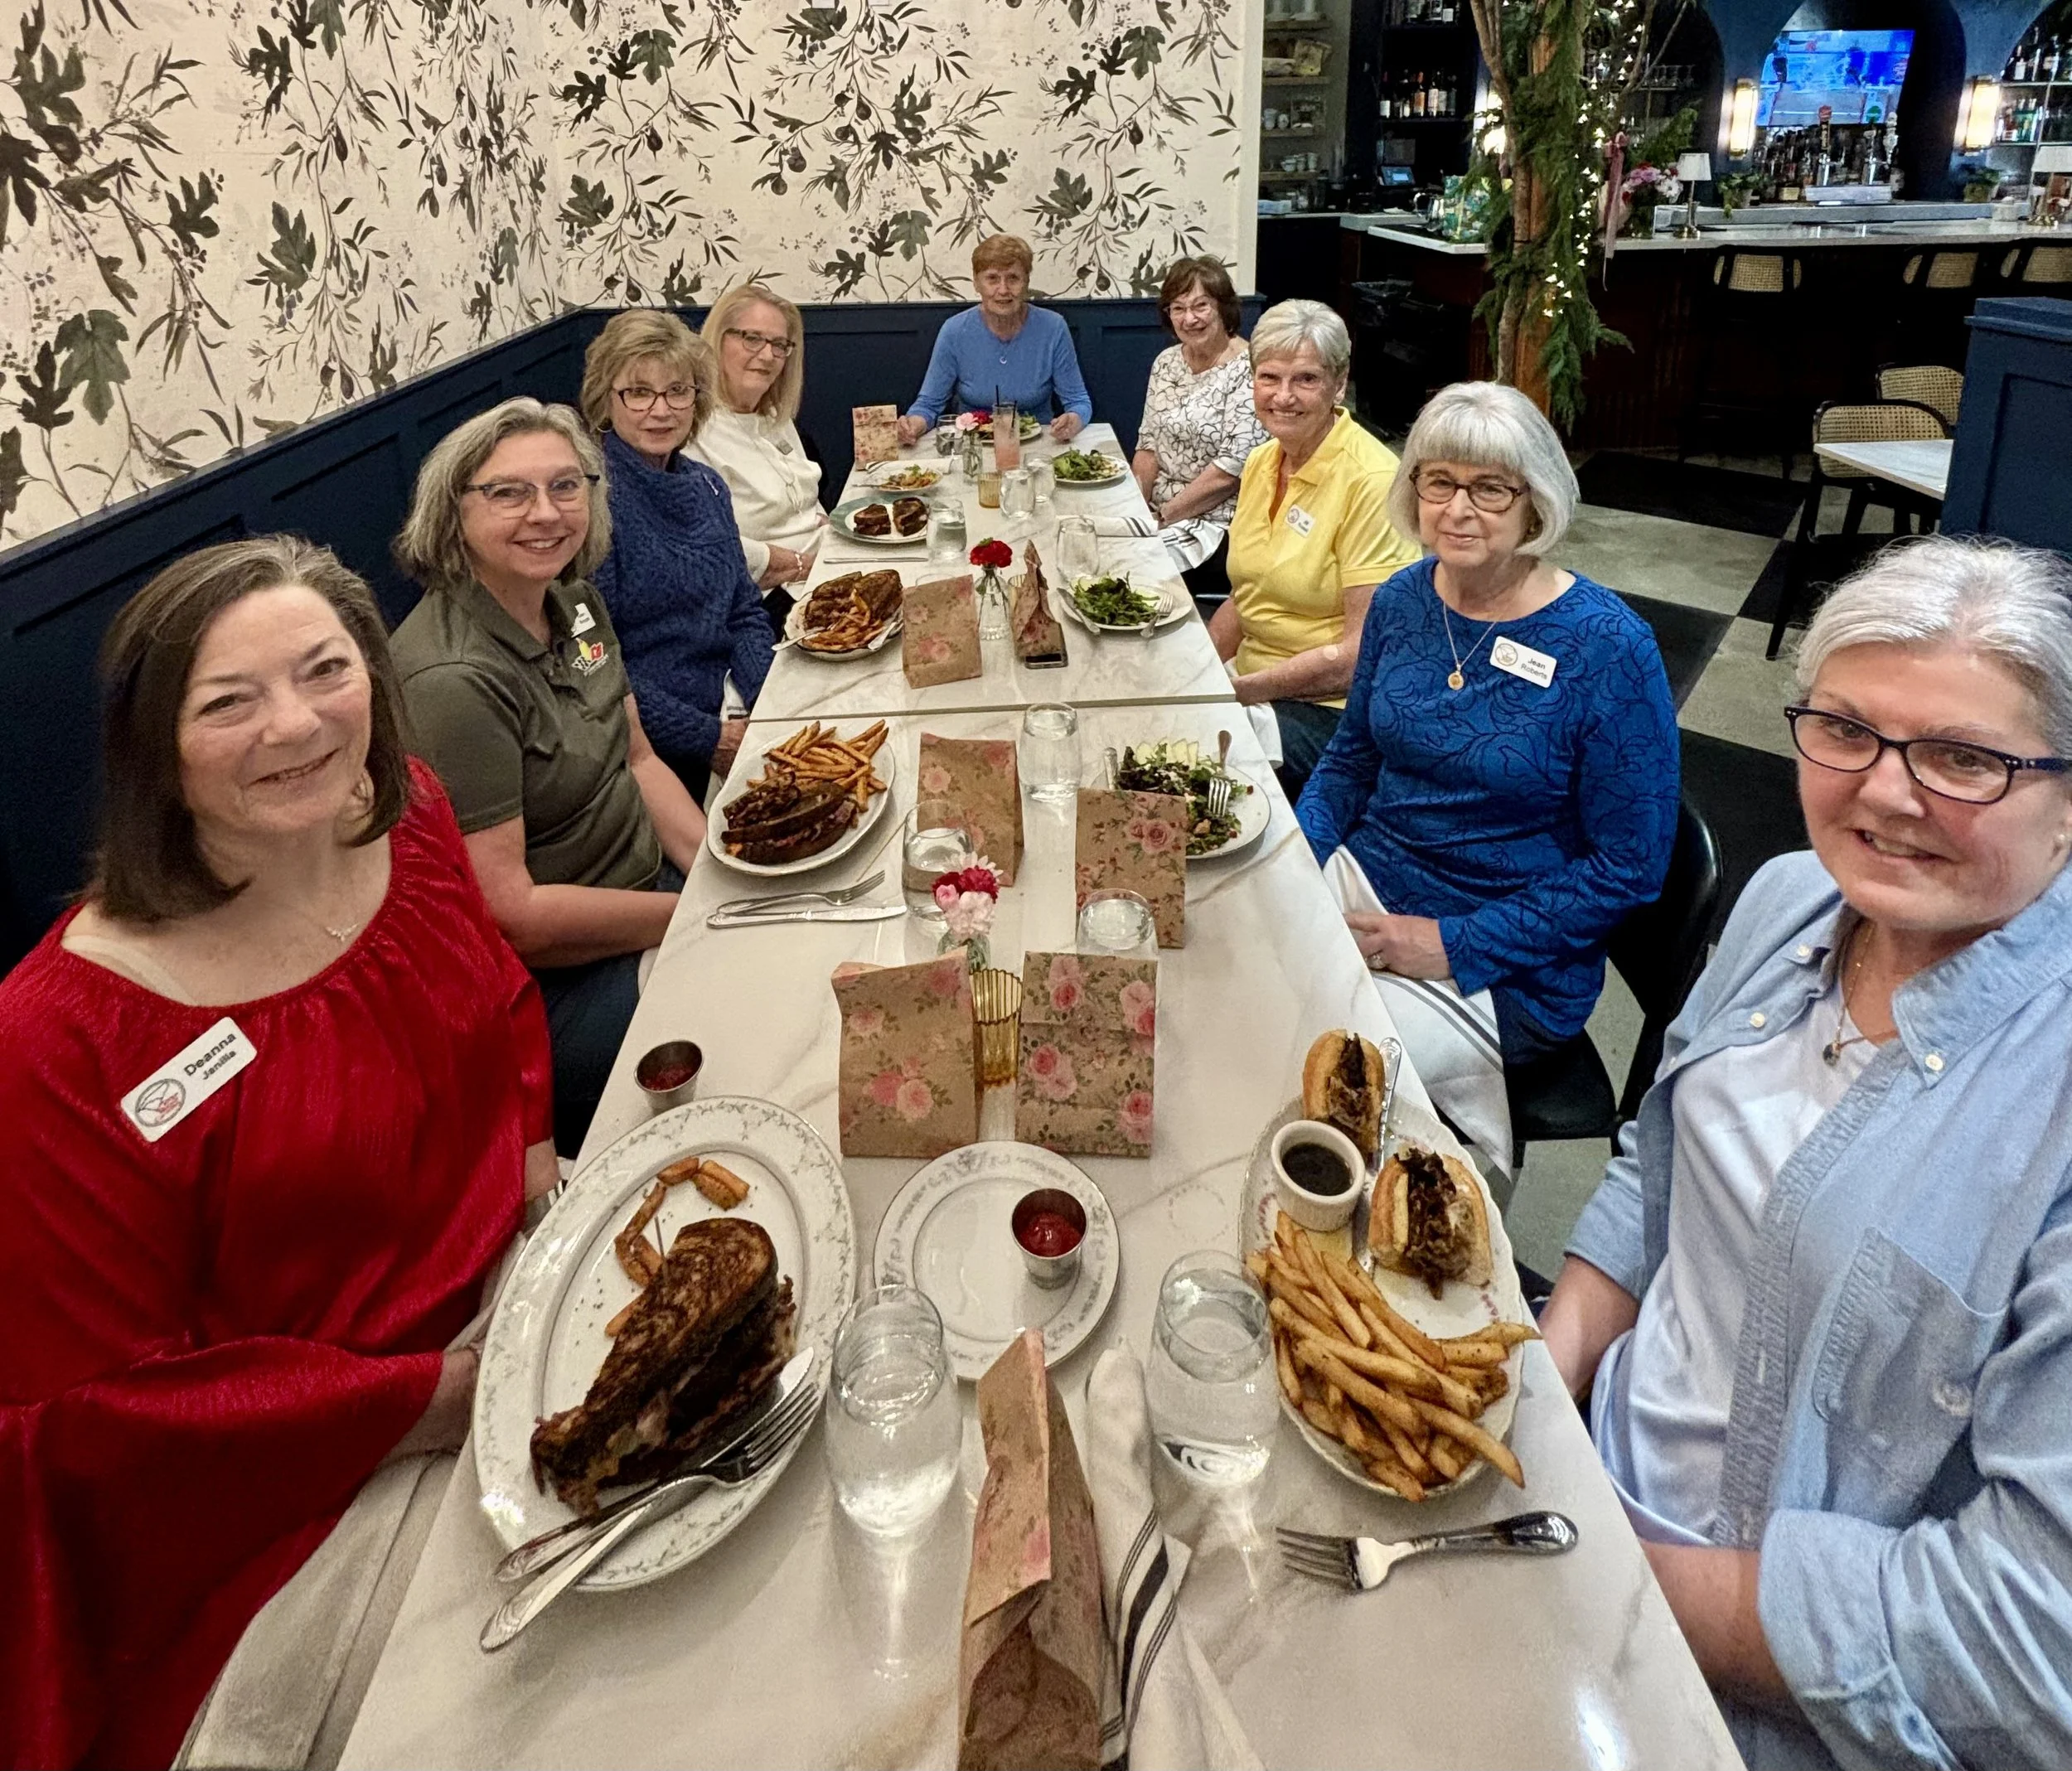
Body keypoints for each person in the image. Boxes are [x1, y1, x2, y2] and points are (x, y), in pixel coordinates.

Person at [0, 537, 554, 1769]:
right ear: (155, 747)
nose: (296, 727)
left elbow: (499, 1000)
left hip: (513, 1310)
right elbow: (113, 1417)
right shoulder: (61, 1041)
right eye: (228, 702)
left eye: (325, 671)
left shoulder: (407, 821)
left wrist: (532, 1162)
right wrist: (439, 1402)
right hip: (295, 1501)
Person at [1542, 535, 2072, 1771]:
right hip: (1579, 1480)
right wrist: (1538, 1381)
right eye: (1844, 729)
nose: (1885, 794)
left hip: (1745, 1675)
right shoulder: (1788, 897)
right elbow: (1658, 1167)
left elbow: (2033, 1640)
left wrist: (1595, 1566)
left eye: (1964, 758)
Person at [1295, 380, 1678, 1171]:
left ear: (1534, 502)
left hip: (1507, 952)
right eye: (1438, 481)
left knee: (1316, 1075)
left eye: (1489, 488)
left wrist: (1452, 942)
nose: (1458, 508)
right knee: (1238, 971)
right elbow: (1352, 756)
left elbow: (1630, 868)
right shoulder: (1404, 600)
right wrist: (1299, 863)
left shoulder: (1609, 648)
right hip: (1371, 880)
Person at [390, 397, 706, 1158]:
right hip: (559, 985)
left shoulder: (575, 604)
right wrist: (695, 919)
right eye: (509, 492)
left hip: (652, 890)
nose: (546, 513)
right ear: (452, 511)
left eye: (567, 486)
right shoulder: (454, 678)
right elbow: (515, 914)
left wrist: (716, 874)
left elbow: (637, 757)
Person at [1211, 298, 1421, 798]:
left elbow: (1356, 657)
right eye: (1270, 378)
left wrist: (1230, 695)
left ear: (1338, 381)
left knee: (1190, 763)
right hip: (1255, 685)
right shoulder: (1264, 461)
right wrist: (1193, 673)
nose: (1283, 396)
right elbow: (1249, 596)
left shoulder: (1371, 480)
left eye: (1305, 379)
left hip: (1332, 711)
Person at [579, 309, 776, 792]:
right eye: (639, 392)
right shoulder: (588, 503)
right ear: (607, 400)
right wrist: (710, 738)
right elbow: (593, 661)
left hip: (734, 703)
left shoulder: (707, 486)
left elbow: (745, 610)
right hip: (653, 744)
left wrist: (767, 697)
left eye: (677, 391)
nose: (661, 410)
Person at [1132, 255, 1268, 602]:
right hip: (1159, 513)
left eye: (1200, 306)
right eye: (1178, 308)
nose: (1189, 318)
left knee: (1132, 570)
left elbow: (1230, 473)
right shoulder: (1166, 363)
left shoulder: (1250, 370)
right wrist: (1135, 508)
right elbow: (1148, 446)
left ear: (1223, 308)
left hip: (1219, 522)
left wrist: (1164, 516)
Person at [686, 283, 826, 595]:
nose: (768, 355)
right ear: (717, 340)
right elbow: (707, 543)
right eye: (752, 339)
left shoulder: (774, 416)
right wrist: (802, 564)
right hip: (766, 596)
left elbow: (808, 500)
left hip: (821, 569)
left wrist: (833, 534)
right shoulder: (691, 429)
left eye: (780, 344)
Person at [895, 235, 1092, 444]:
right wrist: (912, 426)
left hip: (1038, 445)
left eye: (1013, 278)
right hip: (972, 447)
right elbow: (928, 404)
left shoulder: (1053, 327)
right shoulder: (954, 331)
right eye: (992, 279)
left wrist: (1073, 420)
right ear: (977, 283)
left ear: (1026, 282)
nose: (1004, 290)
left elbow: (1079, 401)